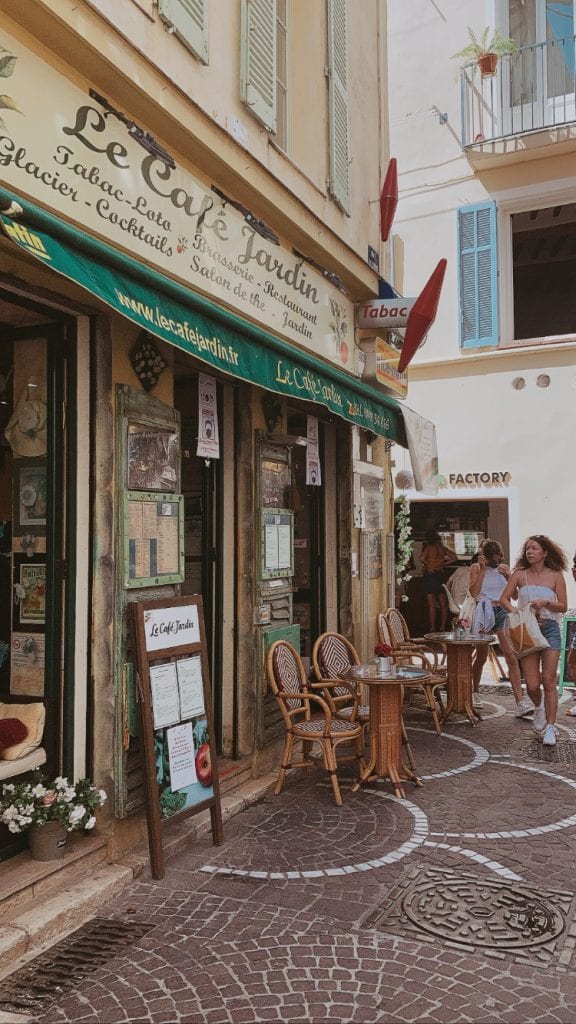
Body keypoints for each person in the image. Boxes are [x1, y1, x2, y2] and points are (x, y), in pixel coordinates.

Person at [499, 535, 568, 746]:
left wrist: (547, 602)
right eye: (528, 548)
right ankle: (538, 708)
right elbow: (504, 599)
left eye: (535, 548)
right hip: (527, 631)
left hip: (550, 629)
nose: (530, 552)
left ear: (544, 553)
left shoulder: (555, 575)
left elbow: (563, 606)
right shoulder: (520, 575)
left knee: (548, 680)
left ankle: (550, 726)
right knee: (531, 684)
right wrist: (518, 613)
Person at [468, 539, 532, 718]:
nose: (495, 563)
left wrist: (508, 576)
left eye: (498, 559)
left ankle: (520, 702)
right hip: (483, 611)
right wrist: (482, 570)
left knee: (511, 655)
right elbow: (474, 593)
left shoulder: (503, 569)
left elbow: (514, 596)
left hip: (502, 612)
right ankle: (475, 692)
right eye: (492, 560)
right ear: (485, 557)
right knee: (480, 656)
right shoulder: (476, 568)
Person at [420, 529, 456, 632]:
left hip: (430, 574)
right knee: (443, 603)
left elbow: (421, 558)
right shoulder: (442, 548)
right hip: (439, 574)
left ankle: (432, 627)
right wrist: (443, 564)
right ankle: (443, 626)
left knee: (432, 605)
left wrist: (428, 566)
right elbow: (454, 557)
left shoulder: (428, 548)